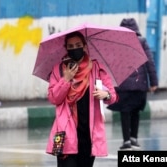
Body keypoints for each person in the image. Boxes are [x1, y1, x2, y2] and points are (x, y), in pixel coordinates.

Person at [46, 31, 117, 167]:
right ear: (66, 48)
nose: (75, 49)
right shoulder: (58, 70)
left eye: (78, 45)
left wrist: (105, 94)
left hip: (88, 135)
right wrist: (66, 79)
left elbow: (113, 97)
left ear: (85, 46)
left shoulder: (97, 69)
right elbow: (54, 98)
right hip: (64, 132)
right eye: (70, 46)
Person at [108, 18, 158, 151]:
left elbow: (111, 64)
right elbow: (150, 62)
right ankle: (134, 138)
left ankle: (126, 141)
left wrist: (109, 83)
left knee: (125, 111)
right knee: (135, 111)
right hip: (139, 84)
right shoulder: (141, 42)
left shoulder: (117, 43)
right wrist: (153, 82)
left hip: (123, 85)